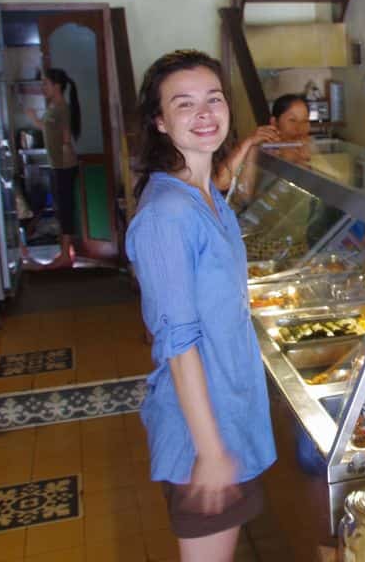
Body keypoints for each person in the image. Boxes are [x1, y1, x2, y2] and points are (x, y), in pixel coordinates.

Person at [125, 50, 276, 561]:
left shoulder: (203, 192)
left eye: (213, 98)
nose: (205, 113)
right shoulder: (167, 214)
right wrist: (210, 453)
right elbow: (178, 342)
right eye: (184, 104)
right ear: (160, 121)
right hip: (202, 432)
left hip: (229, 412)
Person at [25, 68, 81, 269]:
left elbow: (65, 136)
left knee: (65, 208)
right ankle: (65, 251)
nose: (43, 87)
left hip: (64, 165)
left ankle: (66, 254)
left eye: (45, 83)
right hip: (57, 164)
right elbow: (49, 128)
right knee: (60, 207)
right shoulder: (54, 107)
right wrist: (35, 120)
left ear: (57, 86)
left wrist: (64, 150)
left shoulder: (61, 108)